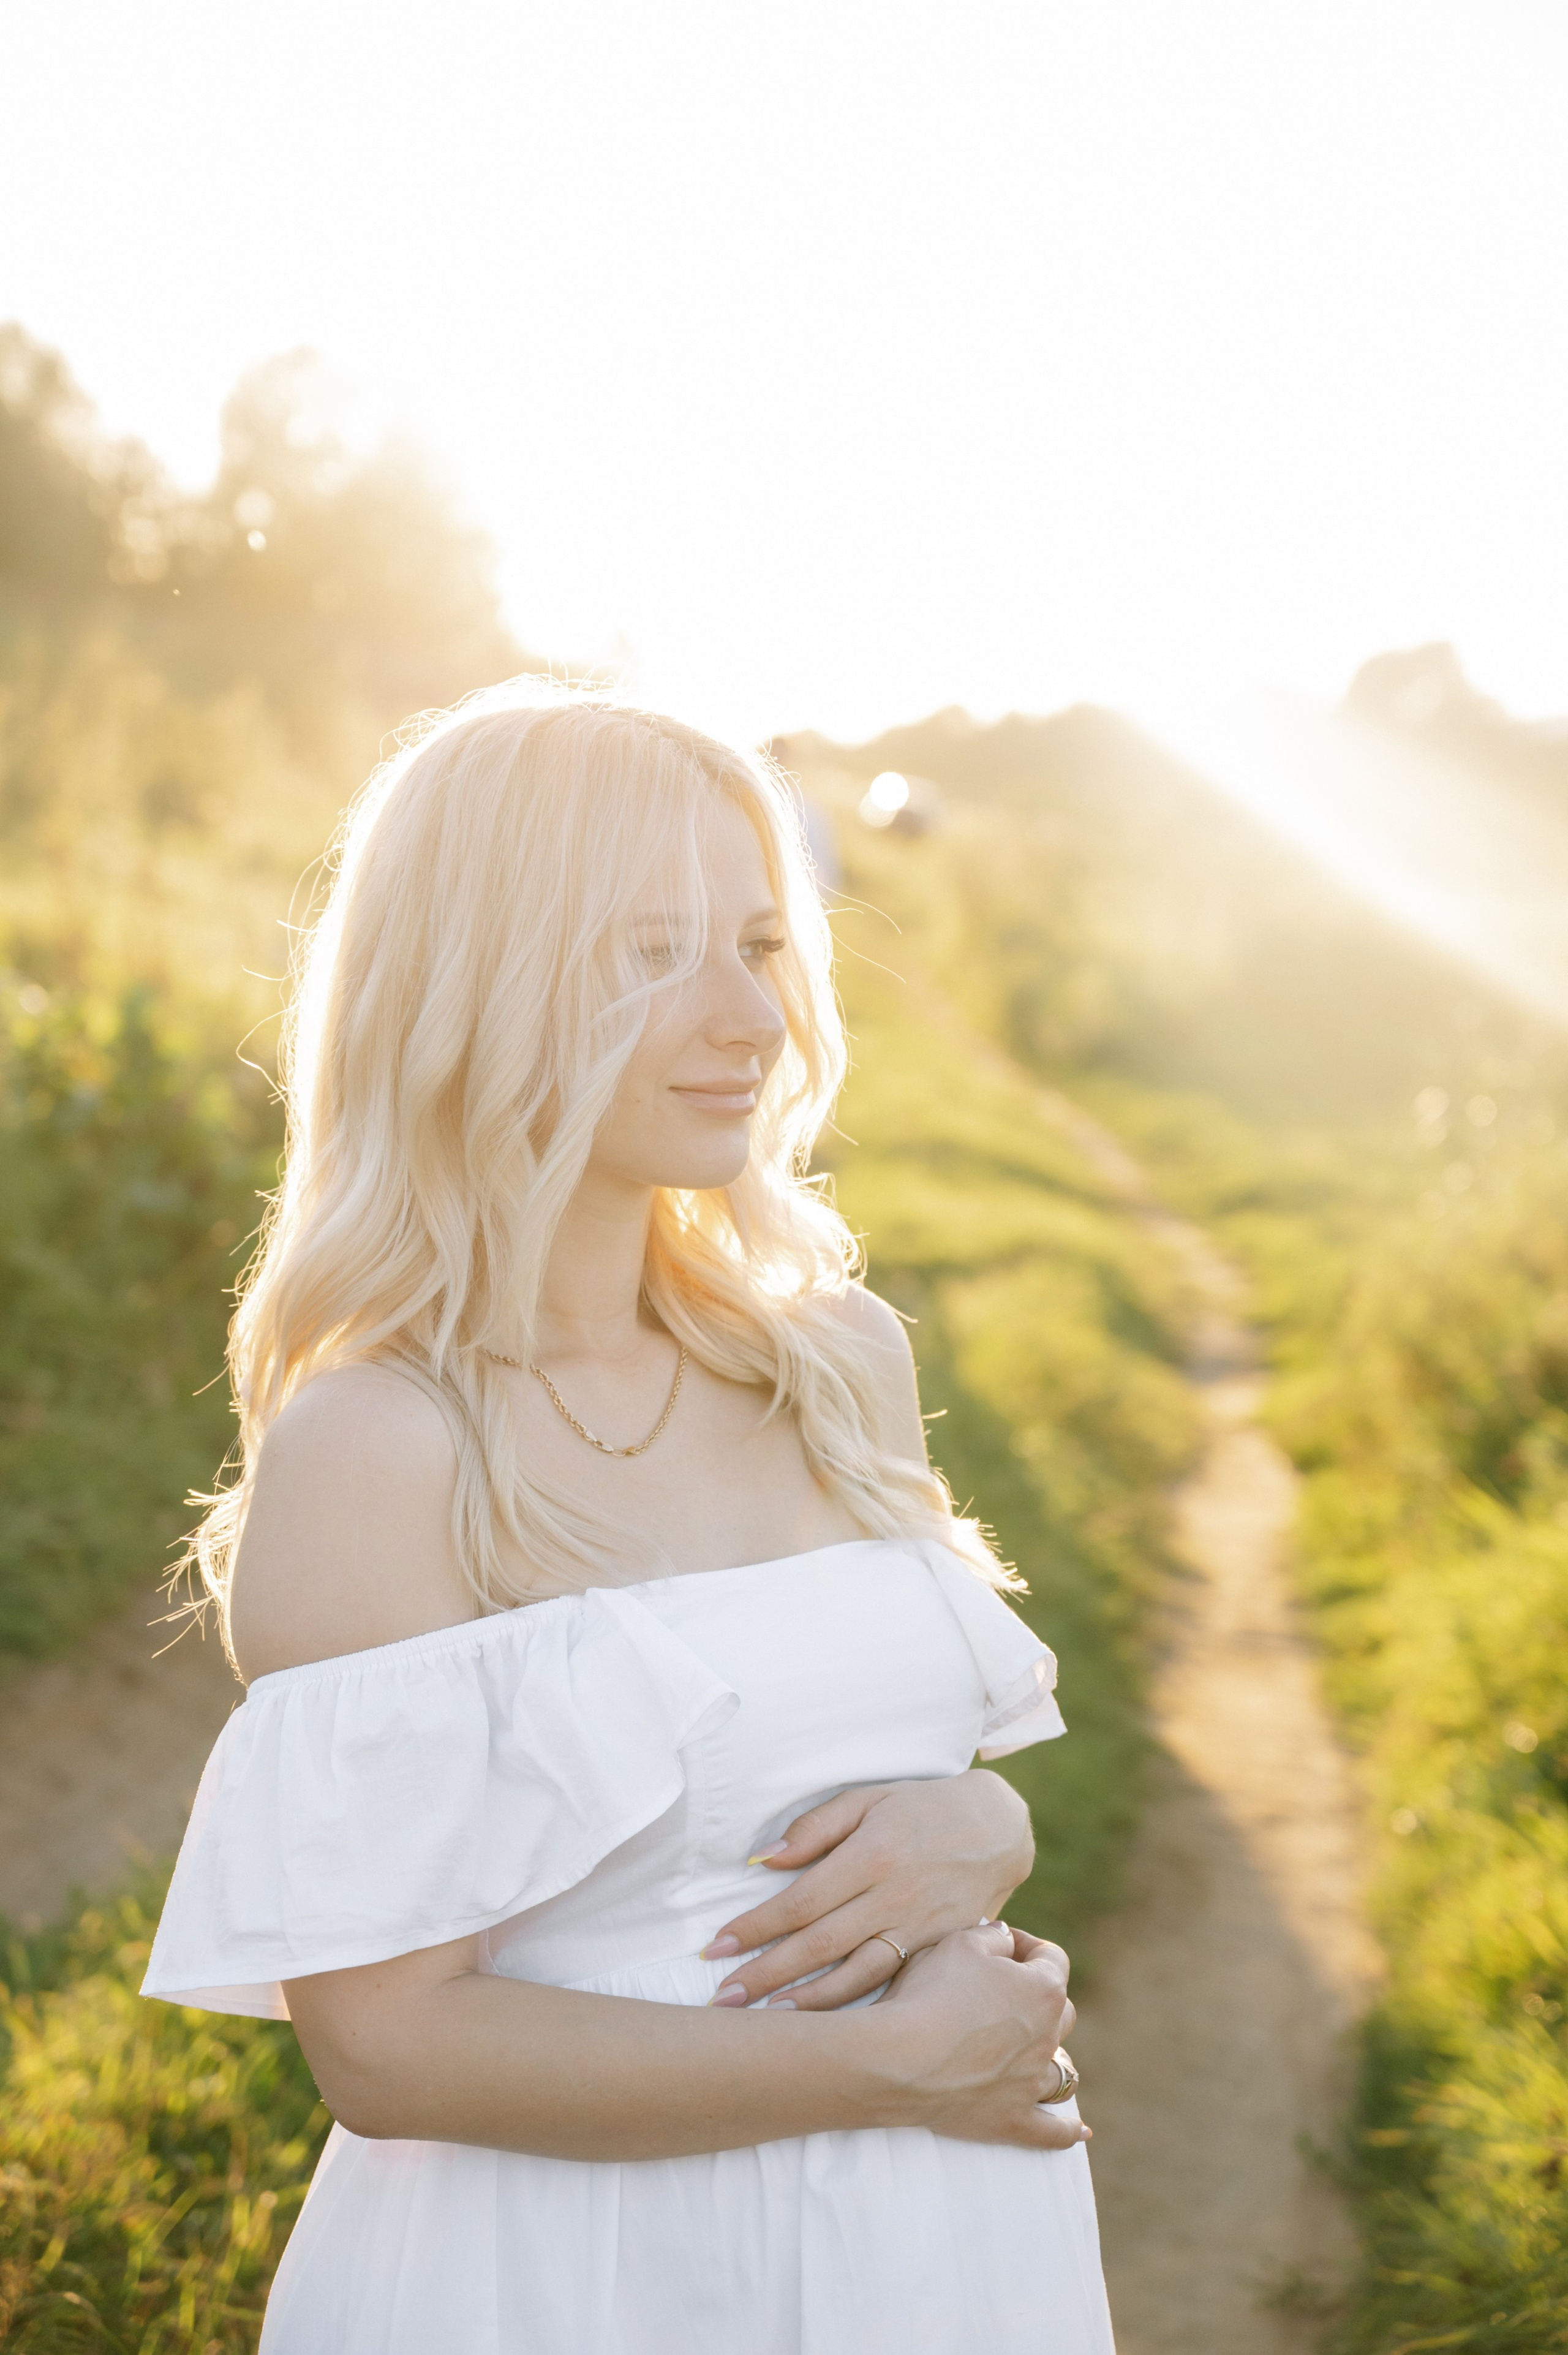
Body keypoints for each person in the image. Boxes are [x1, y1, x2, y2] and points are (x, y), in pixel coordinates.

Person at [143, 684, 1116, 2353]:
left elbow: (885, 1778)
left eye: (759, 941)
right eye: (654, 951)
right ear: (476, 983)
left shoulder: (831, 1358)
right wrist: (877, 2061)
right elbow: (388, 2046)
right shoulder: (384, 1443)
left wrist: (989, 1833)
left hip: (938, 2247)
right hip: (581, 2273)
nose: (752, 1014)